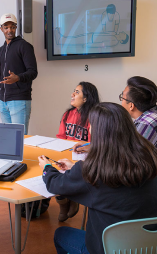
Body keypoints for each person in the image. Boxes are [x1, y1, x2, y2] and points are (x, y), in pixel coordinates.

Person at [38, 102, 157, 254]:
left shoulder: (93, 171)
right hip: (155, 245)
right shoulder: (147, 157)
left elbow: (55, 184)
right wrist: (75, 167)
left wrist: (47, 168)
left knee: (61, 234)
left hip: (112, 249)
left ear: (99, 132)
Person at [120, 76, 157, 215]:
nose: (121, 102)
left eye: (122, 98)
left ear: (131, 105)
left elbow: (126, 160)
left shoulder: (145, 125)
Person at [55, 82, 99, 222]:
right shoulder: (68, 114)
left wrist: (86, 147)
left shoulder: (94, 117)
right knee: (57, 172)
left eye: (77, 92)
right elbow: (61, 136)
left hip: (85, 157)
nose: (72, 94)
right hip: (67, 154)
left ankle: (72, 199)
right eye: (73, 91)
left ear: (85, 98)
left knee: (72, 174)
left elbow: (98, 143)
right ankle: (64, 204)